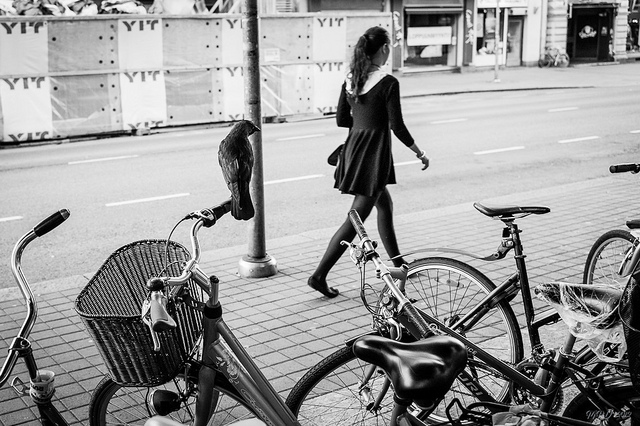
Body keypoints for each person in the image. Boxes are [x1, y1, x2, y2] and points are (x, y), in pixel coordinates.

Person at [308, 26, 430, 298]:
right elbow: (397, 126)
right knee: (356, 219)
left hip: (355, 149)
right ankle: (318, 276)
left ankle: (398, 264)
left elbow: (342, 119)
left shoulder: (352, 78)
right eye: (390, 47)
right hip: (373, 155)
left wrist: (364, 122)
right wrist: (419, 153)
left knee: (384, 205)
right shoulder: (388, 83)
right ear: (384, 48)